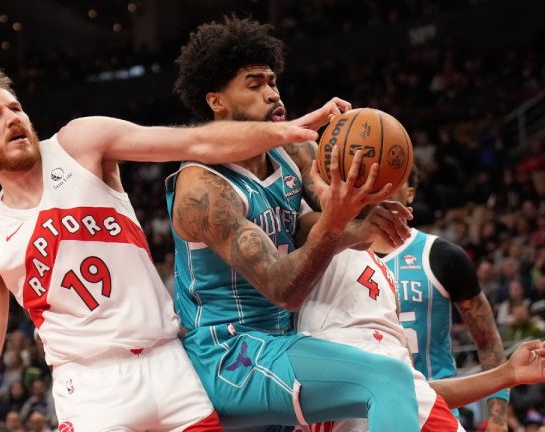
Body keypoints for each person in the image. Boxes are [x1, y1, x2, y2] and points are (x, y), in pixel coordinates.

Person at [0, 67, 338, 432]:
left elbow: (197, 142)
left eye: (14, 108)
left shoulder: (83, 144)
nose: (12, 118)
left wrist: (284, 133)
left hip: (168, 361)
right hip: (92, 387)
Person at [169, 16, 421, 431]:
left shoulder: (291, 152)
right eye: (255, 84)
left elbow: (308, 222)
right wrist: (340, 223)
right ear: (217, 101)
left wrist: (366, 216)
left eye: (272, 82)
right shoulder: (202, 189)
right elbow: (284, 288)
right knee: (387, 380)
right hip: (230, 355)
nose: (272, 93)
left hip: (280, 342)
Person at [296, 245, 545, 431]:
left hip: (424, 403)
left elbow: (411, 389)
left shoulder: (397, 270)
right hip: (345, 405)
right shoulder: (318, 235)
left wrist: (508, 375)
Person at [371, 170, 511, 430]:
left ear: (410, 192)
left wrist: (498, 419)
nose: (384, 186)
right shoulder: (342, 256)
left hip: (437, 412)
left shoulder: (443, 256)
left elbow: (488, 341)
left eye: (394, 176)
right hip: (370, 414)